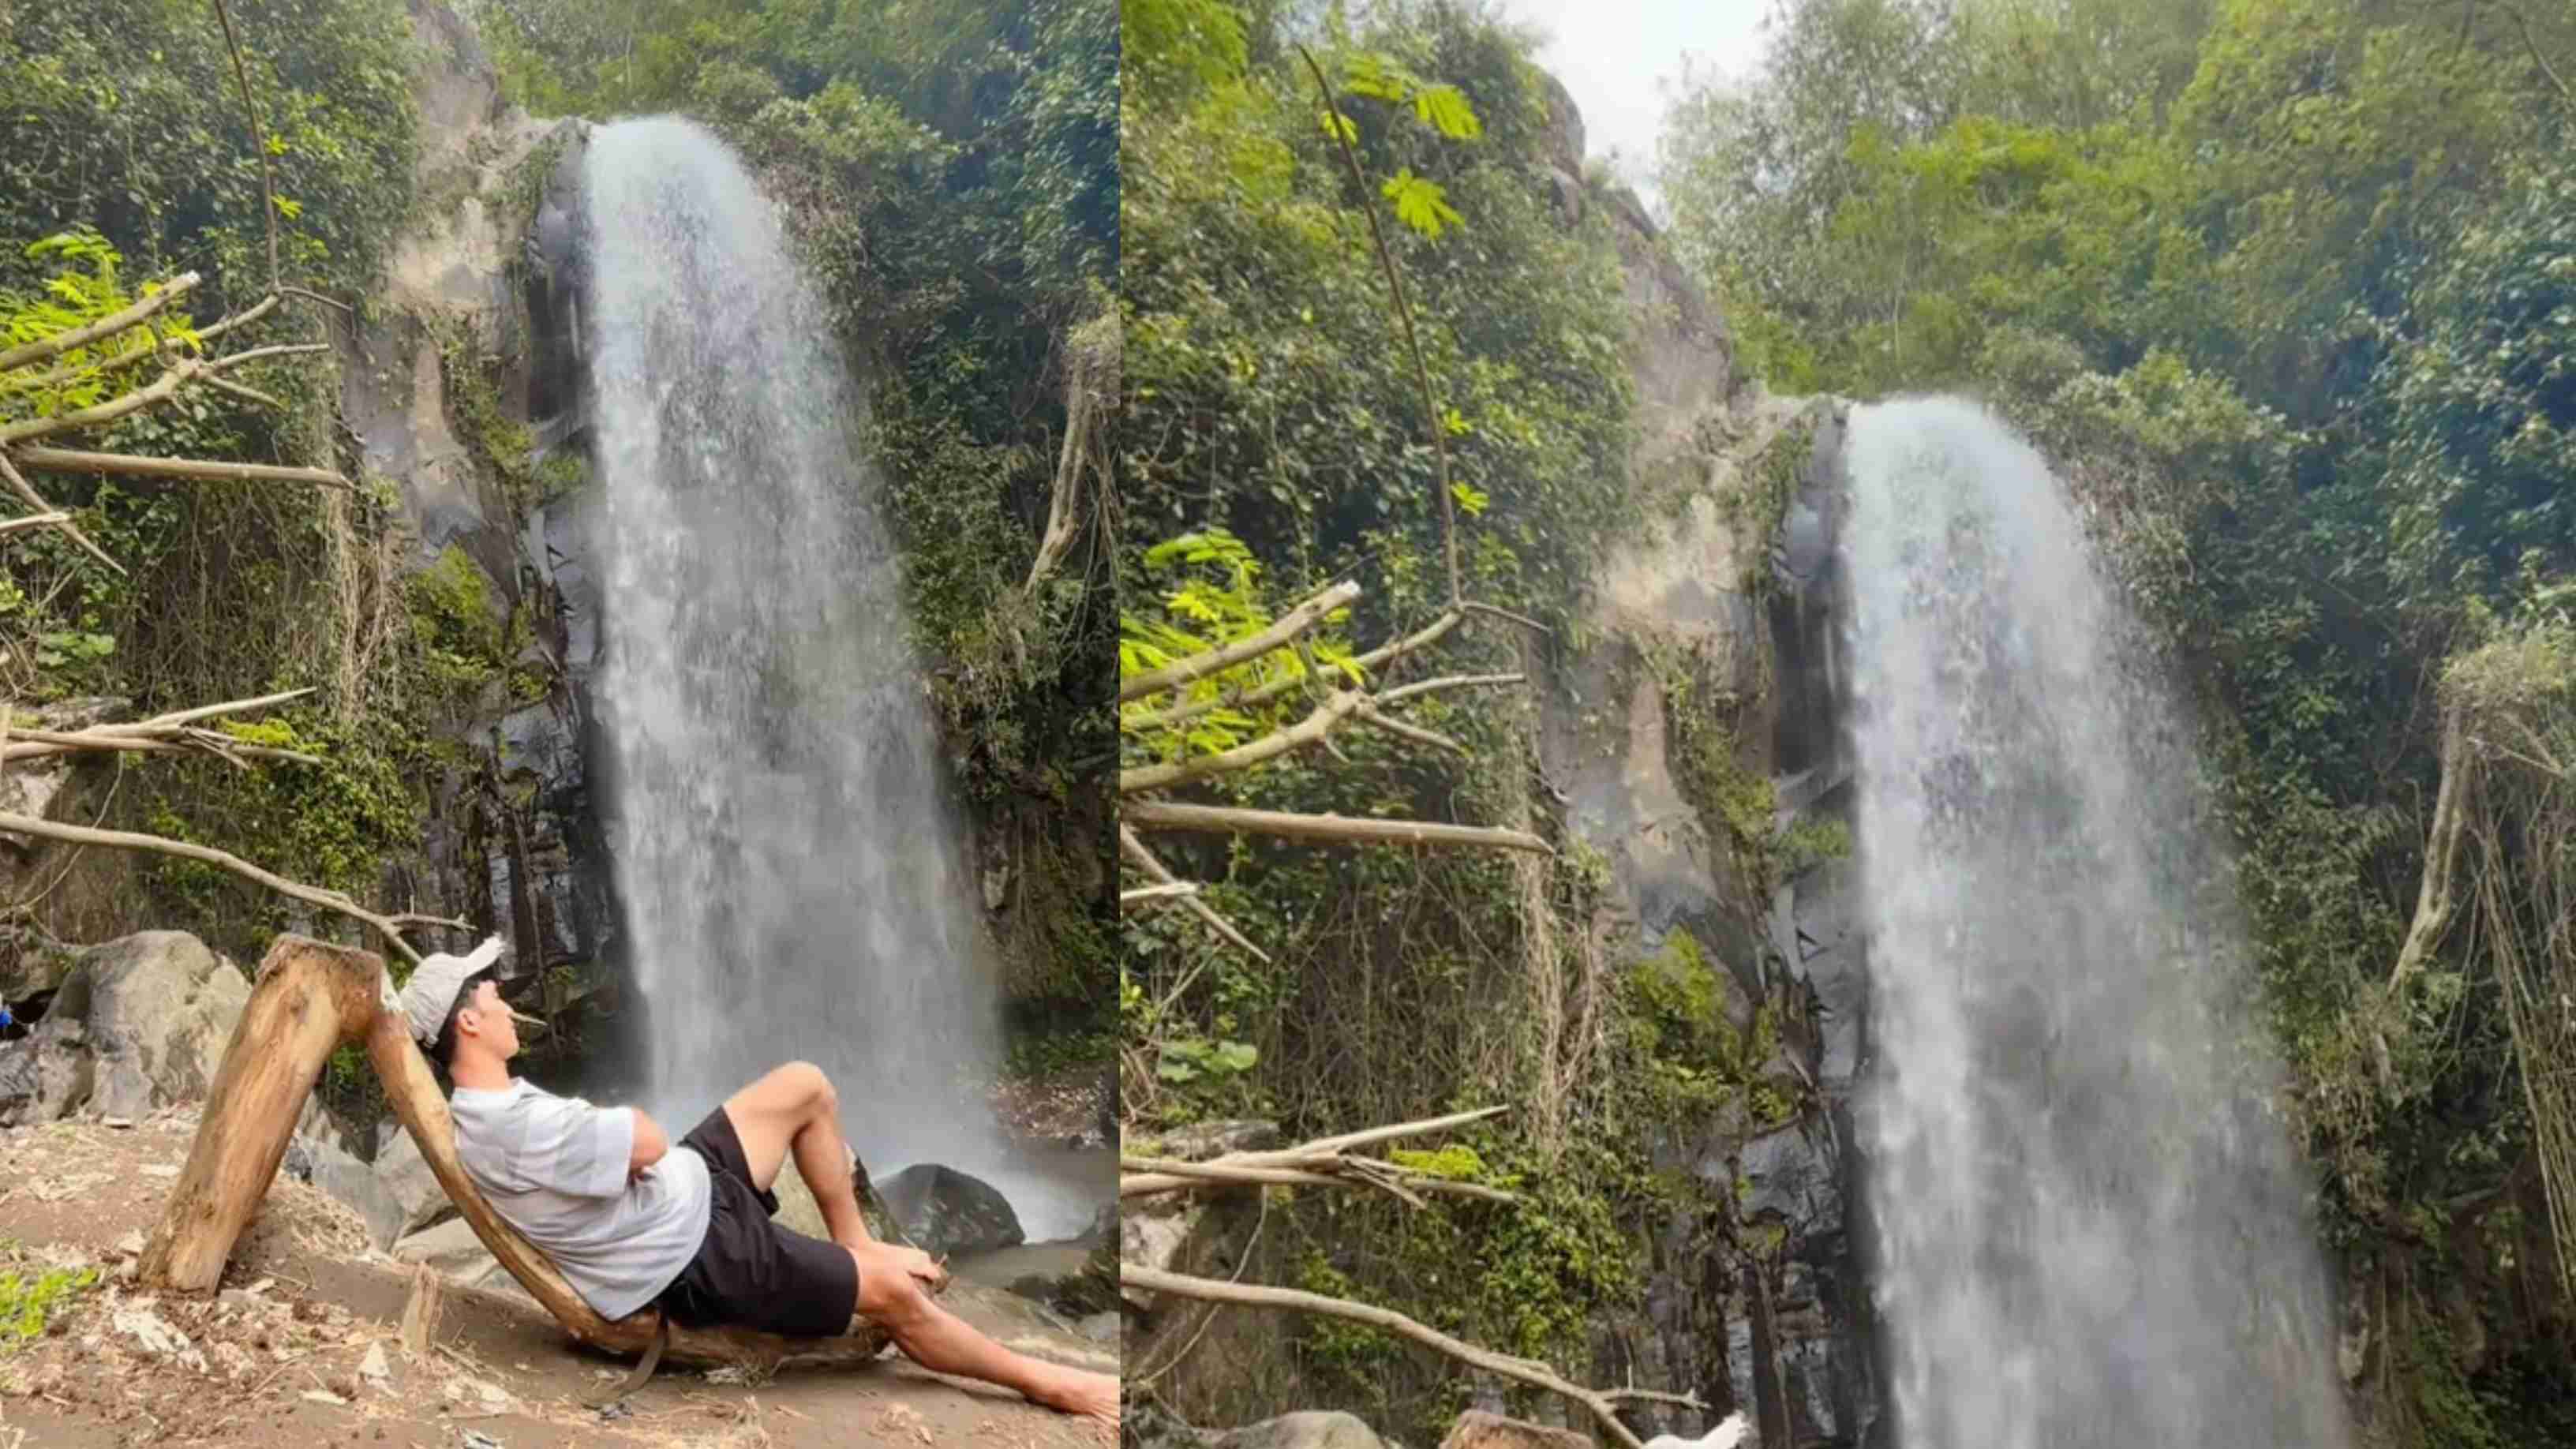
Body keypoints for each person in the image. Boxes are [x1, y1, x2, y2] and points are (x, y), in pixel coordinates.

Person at [397, 938, 1116, 1425]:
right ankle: (1050, 1382)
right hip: (698, 1255)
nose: (506, 999)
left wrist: (616, 1129)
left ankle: (855, 1241)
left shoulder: (500, 1109)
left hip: (688, 1191)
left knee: (806, 1086)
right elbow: (643, 1140)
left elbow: (638, 1150)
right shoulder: (511, 1127)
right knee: (896, 1299)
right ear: (468, 1020)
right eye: (492, 992)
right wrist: (617, 1125)